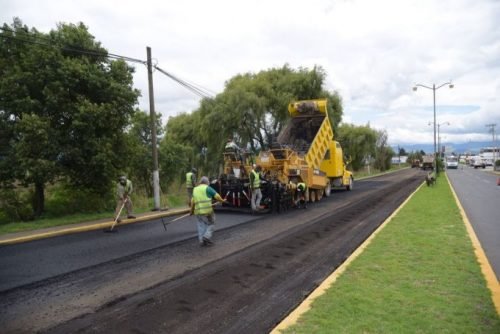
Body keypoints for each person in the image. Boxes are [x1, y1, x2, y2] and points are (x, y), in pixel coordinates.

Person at [190, 176, 226, 246]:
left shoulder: (195, 189)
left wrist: (191, 212)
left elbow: (192, 202)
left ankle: (201, 241)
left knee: (200, 225)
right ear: (207, 182)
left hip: (198, 212)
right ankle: (206, 236)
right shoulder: (207, 188)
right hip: (207, 211)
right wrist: (222, 200)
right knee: (212, 223)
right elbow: (217, 196)